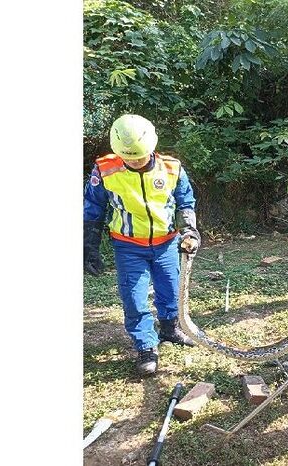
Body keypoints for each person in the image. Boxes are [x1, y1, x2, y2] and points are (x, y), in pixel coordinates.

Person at [83, 114, 201, 376]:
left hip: (167, 243)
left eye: (140, 155)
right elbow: (92, 210)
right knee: (134, 297)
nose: (135, 161)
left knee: (170, 289)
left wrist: (190, 230)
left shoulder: (171, 168)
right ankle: (146, 346)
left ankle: (170, 328)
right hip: (128, 247)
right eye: (129, 157)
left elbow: (185, 202)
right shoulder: (105, 170)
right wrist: (88, 247)